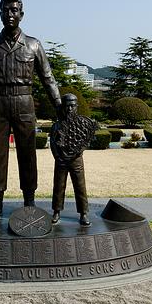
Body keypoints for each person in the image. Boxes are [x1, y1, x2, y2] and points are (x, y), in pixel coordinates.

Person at [0, 0, 62, 220]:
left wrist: (58, 105)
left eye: (14, 10)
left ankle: (29, 199)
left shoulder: (33, 44)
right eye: (6, 10)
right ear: (0, 14)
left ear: (21, 14)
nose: (10, 14)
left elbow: (48, 77)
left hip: (25, 102)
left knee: (27, 153)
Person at [50, 93, 98, 226]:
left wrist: (77, 152)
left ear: (77, 107)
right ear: (63, 108)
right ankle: (56, 211)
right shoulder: (57, 125)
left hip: (76, 160)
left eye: (72, 106)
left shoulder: (83, 124)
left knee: (80, 186)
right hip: (61, 160)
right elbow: (53, 143)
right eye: (67, 106)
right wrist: (57, 157)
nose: (69, 109)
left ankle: (83, 213)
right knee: (59, 186)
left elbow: (85, 142)